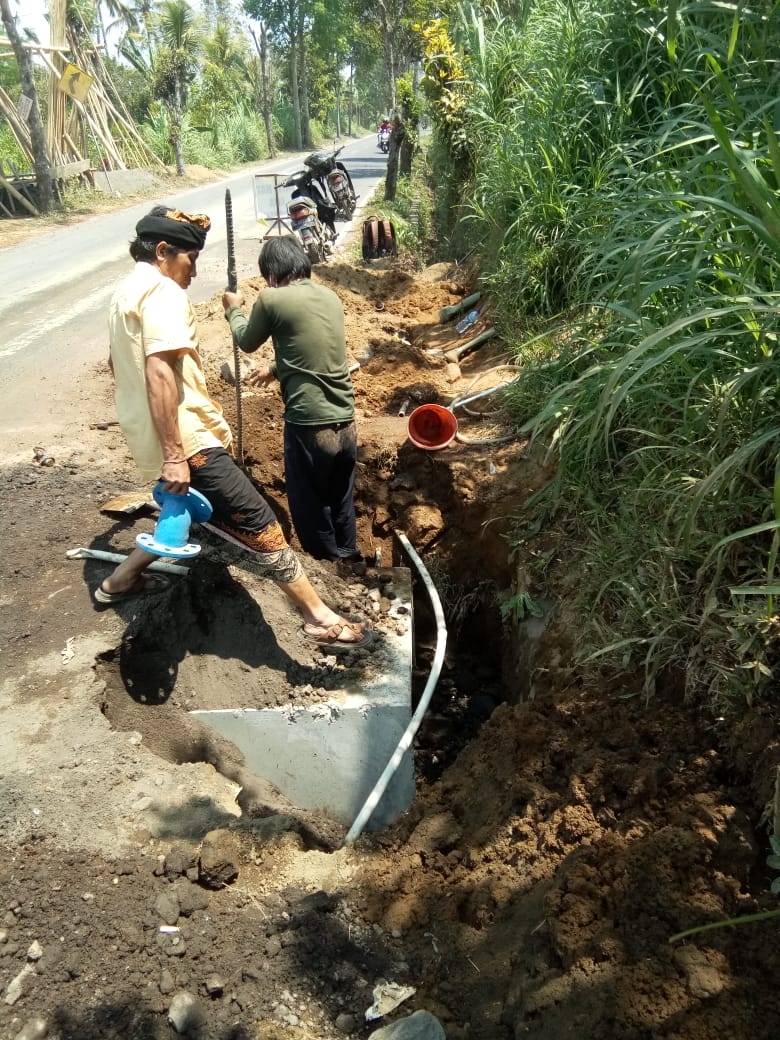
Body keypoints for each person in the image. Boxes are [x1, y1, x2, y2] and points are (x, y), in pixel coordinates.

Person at [95, 205, 369, 652]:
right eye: (190, 260)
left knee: (196, 517)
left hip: (159, 436)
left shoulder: (124, 294)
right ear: (164, 251)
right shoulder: (163, 293)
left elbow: (118, 366)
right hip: (188, 441)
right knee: (260, 522)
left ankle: (120, 580)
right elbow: (159, 371)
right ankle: (318, 616)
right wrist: (173, 454)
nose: (193, 271)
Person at [221, 235, 362, 569]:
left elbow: (246, 341)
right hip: (346, 422)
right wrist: (275, 369)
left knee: (309, 504)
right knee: (340, 499)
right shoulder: (329, 296)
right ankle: (350, 560)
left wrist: (233, 310)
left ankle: (327, 570)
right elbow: (314, 349)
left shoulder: (271, 298)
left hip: (309, 424)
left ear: (271, 274)